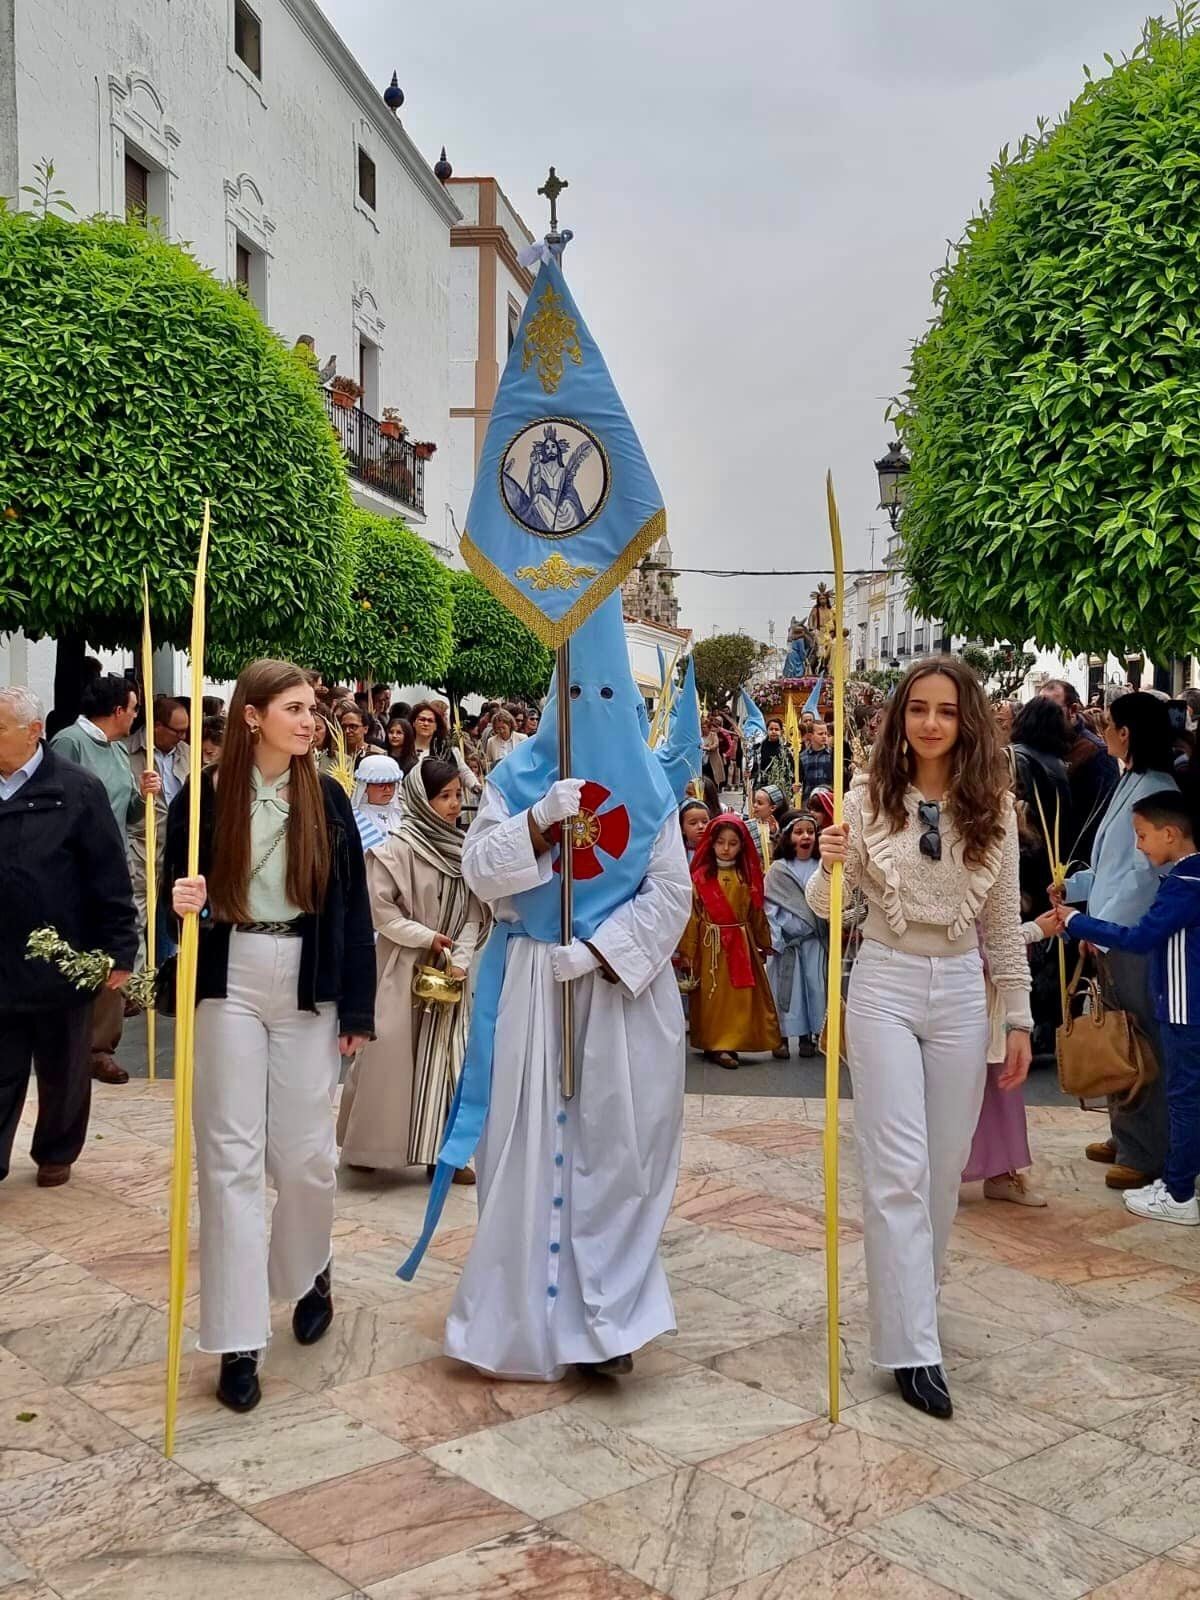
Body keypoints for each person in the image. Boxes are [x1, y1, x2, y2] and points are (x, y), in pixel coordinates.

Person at [399, 595, 691, 1382]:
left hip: (617, 993)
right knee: (524, 1147)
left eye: (606, 697)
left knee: (617, 1150)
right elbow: (480, 872)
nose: (591, 712)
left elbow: (671, 897)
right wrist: (533, 825)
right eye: (576, 696)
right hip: (530, 983)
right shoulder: (516, 777)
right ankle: (520, 1311)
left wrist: (599, 950)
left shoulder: (652, 792)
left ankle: (612, 1317)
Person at [812, 657, 1030, 1420]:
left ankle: (919, 1303)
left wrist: (1021, 1016)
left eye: (946, 710)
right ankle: (910, 1346)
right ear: (898, 719)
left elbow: (1002, 919)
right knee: (896, 1170)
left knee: (942, 1172)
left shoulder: (994, 808)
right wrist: (828, 862)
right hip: (885, 984)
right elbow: (828, 907)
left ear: (966, 720)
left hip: (964, 994)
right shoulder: (866, 800)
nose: (931, 723)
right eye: (917, 710)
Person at [167, 659, 375, 1413]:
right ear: (251, 715)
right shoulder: (204, 796)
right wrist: (180, 900)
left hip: (307, 981)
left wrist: (357, 1011)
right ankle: (236, 1336)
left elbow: (352, 910)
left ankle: (310, 1263)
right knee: (229, 1160)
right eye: (294, 707)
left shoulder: (326, 797)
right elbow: (174, 898)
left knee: (306, 1156)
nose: (310, 719)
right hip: (229, 977)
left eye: (312, 708)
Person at [0, 687, 139, 1188]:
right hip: (1, 956)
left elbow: (108, 876)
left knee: (63, 1065)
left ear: (34, 731)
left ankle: (56, 1152)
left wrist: (120, 949)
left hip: (64, 956)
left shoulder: (75, 789)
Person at [338, 759, 488, 1181]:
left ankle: (445, 1156)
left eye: (458, 795)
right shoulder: (397, 848)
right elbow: (381, 912)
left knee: (448, 1061)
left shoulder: (464, 851)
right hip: (401, 966)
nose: (454, 805)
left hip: (450, 973)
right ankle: (371, 1145)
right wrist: (426, 938)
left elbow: (476, 913)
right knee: (390, 1057)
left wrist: (459, 958)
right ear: (422, 800)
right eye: (444, 796)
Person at [1056, 791, 1200, 1224]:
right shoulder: (1186, 877)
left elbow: (1140, 937)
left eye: (1143, 836)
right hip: (1185, 1006)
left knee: (1183, 1098)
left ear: (1171, 834)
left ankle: (1178, 1194)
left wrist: (1074, 920)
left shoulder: (1185, 885)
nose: (1139, 846)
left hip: (1184, 1009)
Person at [1056, 692, 1177, 1190]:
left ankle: (1145, 1149)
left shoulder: (1156, 786)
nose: (1101, 730)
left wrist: (1096, 928)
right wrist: (1076, 889)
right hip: (1110, 929)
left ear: (1125, 733)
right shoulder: (1129, 779)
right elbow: (1110, 866)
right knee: (1116, 1033)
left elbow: (1142, 875)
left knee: (1140, 1043)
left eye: (1108, 724)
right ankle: (1123, 1130)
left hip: (1130, 935)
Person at [51, 673, 160, 1085]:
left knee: (114, 952)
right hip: (74, 867)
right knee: (76, 953)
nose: (135, 717)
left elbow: (128, 811)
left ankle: (101, 1047)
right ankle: (68, 1043)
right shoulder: (69, 743)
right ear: (117, 711)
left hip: (110, 865)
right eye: (133, 709)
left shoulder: (115, 751)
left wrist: (143, 794)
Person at [678, 812, 781, 1071]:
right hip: (709, 945)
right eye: (720, 842)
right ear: (711, 843)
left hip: (741, 944)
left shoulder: (746, 878)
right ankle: (716, 1043)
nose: (725, 848)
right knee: (713, 998)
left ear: (741, 845)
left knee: (740, 997)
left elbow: (756, 911)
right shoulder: (699, 879)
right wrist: (687, 952)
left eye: (732, 843)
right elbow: (691, 917)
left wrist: (762, 940)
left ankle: (740, 1038)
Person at [1010, 696, 1075, 1063]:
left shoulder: (1020, 760)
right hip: (1053, 865)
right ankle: (1048, 1025)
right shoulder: (1057, 766)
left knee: (1026, 942)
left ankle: (1028, 1025)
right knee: (1048, 943)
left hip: (1025, 863)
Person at [129, 696, 191, 958]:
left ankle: (166, 982)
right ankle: (136, 991)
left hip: (178, 849)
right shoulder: (127, 752)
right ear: (156, 726)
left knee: (171, 922)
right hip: (142, 850)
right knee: (137, 923)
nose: (182, 736)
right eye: (177, 731)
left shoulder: (188, 752)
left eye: (185, 730)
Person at [765, 812, 826, 1060]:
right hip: (788, 943)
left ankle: (809, 1036)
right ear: (788, 837)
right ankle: (779, 1037)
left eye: (810, 832)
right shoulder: (779, 870)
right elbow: (770, 907)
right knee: (785, 991)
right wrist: (778, 936)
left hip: (814, 942)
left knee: (815, 988)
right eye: (799, 832)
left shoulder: (823, 868)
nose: (805, 836)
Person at [1041, 678, 1119, 861]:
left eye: (1051, 711)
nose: (1043, 717)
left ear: (1073, 710)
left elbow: (1099, 817)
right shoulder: (1042, 745)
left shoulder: (1095, 751)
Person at [411, 701, 480, 794]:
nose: (426, 724)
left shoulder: (449, 750)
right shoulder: (404, 750)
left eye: (430, 720)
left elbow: (463, 770)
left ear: (436, 726)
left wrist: (475, 785)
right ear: (413, 723)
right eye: (422, 719)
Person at [350, 752, 404, 850]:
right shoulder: (354, 819)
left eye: (391, 784)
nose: (387, 790)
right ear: (365, 787)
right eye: (381, 785)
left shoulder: (402, 815)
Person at [335, 703, 384, 770]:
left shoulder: (377, 754)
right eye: (343, 727)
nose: (347, 731)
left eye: (353, 727)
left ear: (365, 729)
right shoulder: (334, 754)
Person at [801, 719, 835, 802]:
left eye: (826, 733)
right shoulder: (802, 757)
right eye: (820, 734)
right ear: (810, 735)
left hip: (828, 799)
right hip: (809, 800)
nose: (824, 736)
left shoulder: (832, 754)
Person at [755, 718, 792, 792]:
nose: (773, 731)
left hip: (780, 788)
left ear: (781, 731)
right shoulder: (758, 748)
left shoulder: (786, 750)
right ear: (767, 730)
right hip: (762, 787)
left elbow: (791, 769)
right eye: (771, 729)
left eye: (776, 729)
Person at [680, 797, 709, 865]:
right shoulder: (677, 854)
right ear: (682, 829)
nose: (700, 826)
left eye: (705, 822)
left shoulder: (716, 850)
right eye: (693, 823)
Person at [701, 715, 726, 790]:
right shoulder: (700, 736)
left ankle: (714, 789)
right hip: (702, 759)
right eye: (702, 727)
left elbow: (716, 744)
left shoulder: (713, 735)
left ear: (709, 728)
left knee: (712, 775)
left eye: (704, 727)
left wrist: (708, 748)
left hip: (712, 759)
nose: (703, 729)